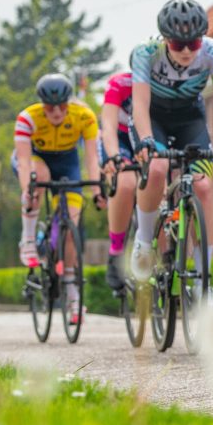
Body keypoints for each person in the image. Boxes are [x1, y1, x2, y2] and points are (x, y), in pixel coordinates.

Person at [129, 0, 213, 279]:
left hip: (189, 119)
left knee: (204, 188)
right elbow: (140, 105)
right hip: (154, 118)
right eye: (177, 44)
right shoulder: (147, 53)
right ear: (165, 39)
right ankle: (144, 241)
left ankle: (203, 277)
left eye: (192, 44)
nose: (185, 51)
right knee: (157, 168)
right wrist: (146, 140)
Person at [13, 74, 105, 323]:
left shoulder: (84, 117)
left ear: (69, 102)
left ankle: (74, 298)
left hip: (67, 165)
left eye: (61, 106)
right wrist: (27, 191)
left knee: (70, 229)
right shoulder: (28, 117)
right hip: (35, 160)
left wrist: (97, 191)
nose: (55, 112)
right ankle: (29, 239)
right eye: (50, 107)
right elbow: (22, 161)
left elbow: (91, 159)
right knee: (38, 176)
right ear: (42, 104)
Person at [99, 69, 137, 290]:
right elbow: (109, 125)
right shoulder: (120, 83)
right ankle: (116, 251)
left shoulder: (165, 85)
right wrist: (114, 156)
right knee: (125, 184)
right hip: (119, 138)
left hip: (144, 135)